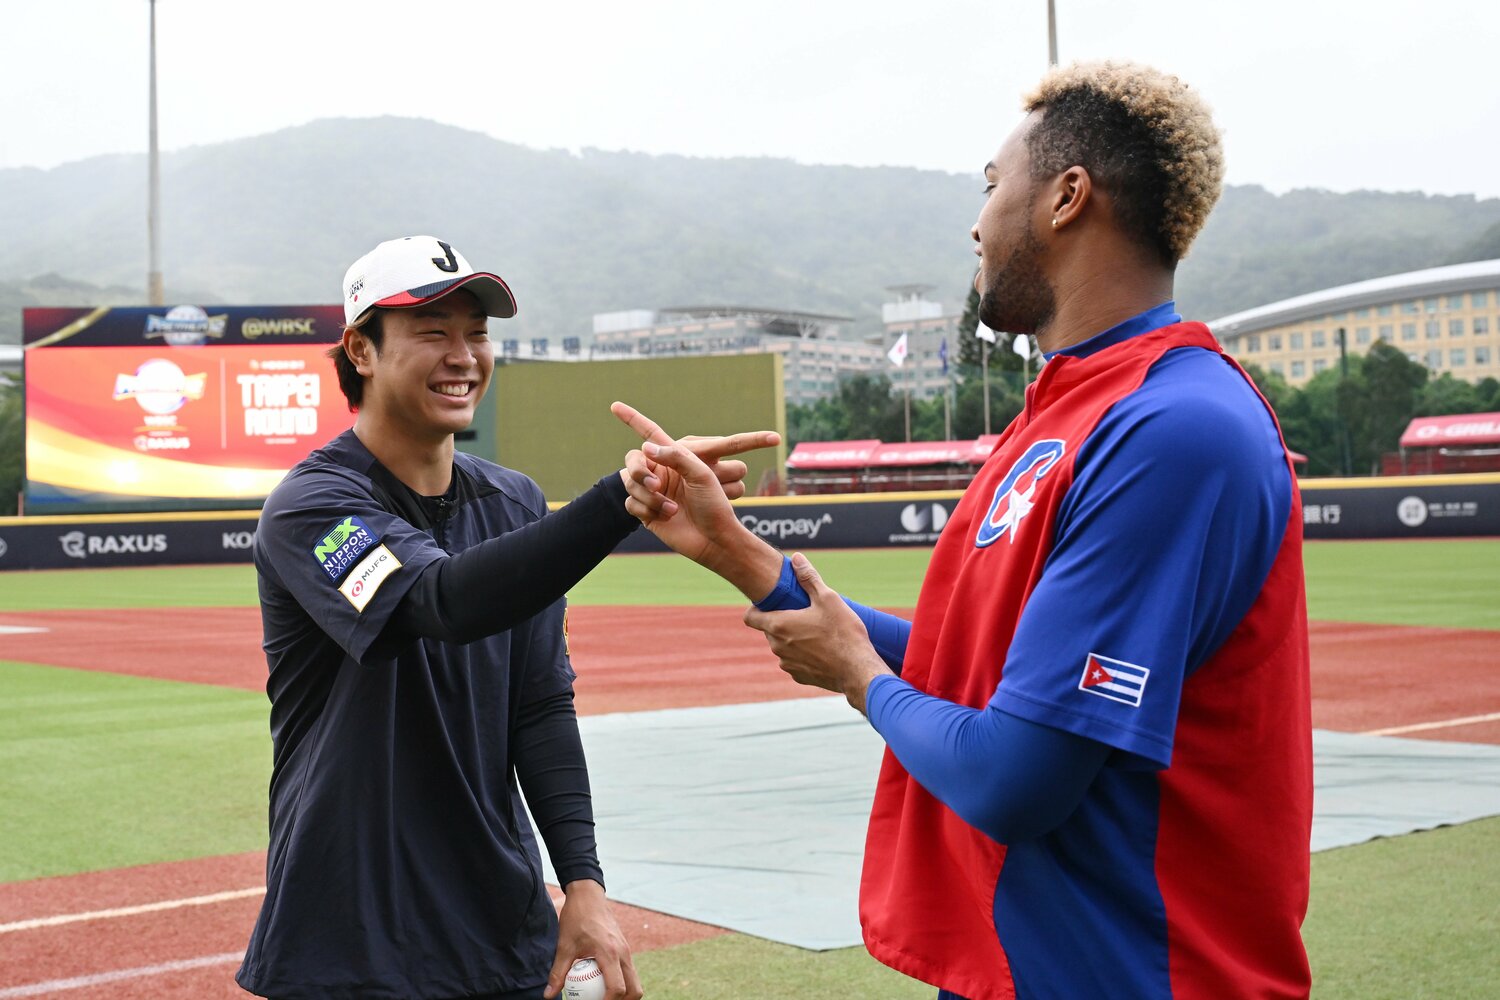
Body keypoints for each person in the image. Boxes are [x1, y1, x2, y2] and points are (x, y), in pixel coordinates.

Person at [615, 61, 1311, 1000]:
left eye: (991, 187)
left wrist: (859, 678)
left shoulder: (1174, 426)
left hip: (1139, 976)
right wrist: (736, 550)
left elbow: (1016, 780)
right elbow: (970, 671)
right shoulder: (1065, 413)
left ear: (1067, 198)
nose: (976, 224)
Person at [237, 235, 775, 1000]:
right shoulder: (314, 508)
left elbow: (539, 705)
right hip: (349, 934)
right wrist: (619, 503)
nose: (464, 355)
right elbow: (439, 601)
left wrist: (583, 882)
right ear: (361, 349)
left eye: (477, 333)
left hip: (500, 931)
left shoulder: (513, 502)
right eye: (433, 332)